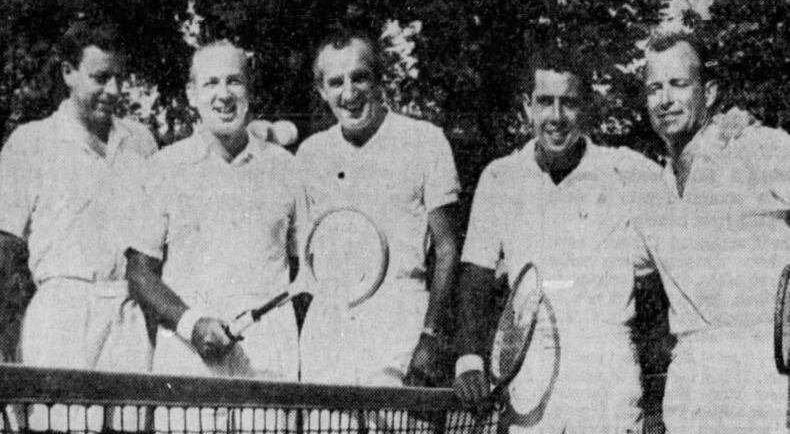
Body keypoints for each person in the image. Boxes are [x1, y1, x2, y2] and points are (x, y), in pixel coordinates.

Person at [452, 46, 674, 433]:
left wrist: (725, 131)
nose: (556, 117)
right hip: (530, 368)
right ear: (527, 108)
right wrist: (469, 357)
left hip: (606, 374)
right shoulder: (500, 177)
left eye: (569, 103)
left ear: (586, 108)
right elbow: (476, 273)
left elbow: (687, 219)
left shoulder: (627, 172)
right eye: (545, 102)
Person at [125, 40, 306, 432]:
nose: (223, 94)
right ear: (192, 94)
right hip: (186, 360)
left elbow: (304, 271)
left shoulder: (287, 168)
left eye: (234, 81)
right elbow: (139, 272)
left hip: (268, 364)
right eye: (211, 83)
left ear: (250, 90)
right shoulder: (164, 167)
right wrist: (191, 324)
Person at [0, 21, 158, 432]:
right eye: (101, 78)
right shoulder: (30, 142)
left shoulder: (141, 142)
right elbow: (3, 252)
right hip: (61, 315)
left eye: (120, 77)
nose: (114, 90)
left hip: (127, 315)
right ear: (69, 72)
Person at [643, 30, 790, 433]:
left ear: (708, 93)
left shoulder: (756, 147)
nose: (665, 99)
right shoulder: (653, 187)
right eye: (654, 88)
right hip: (689, 387)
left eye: (679, 84)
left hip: (763, 381)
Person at [298, 29, 460, 388]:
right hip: (328, 332)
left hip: (400, 327)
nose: (349, 94)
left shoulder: (425, 140)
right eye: (335, 82)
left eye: (360, 77)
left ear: (379, 80)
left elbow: (447, 249)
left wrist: (430, 336)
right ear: (321, 90)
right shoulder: (310, 155)